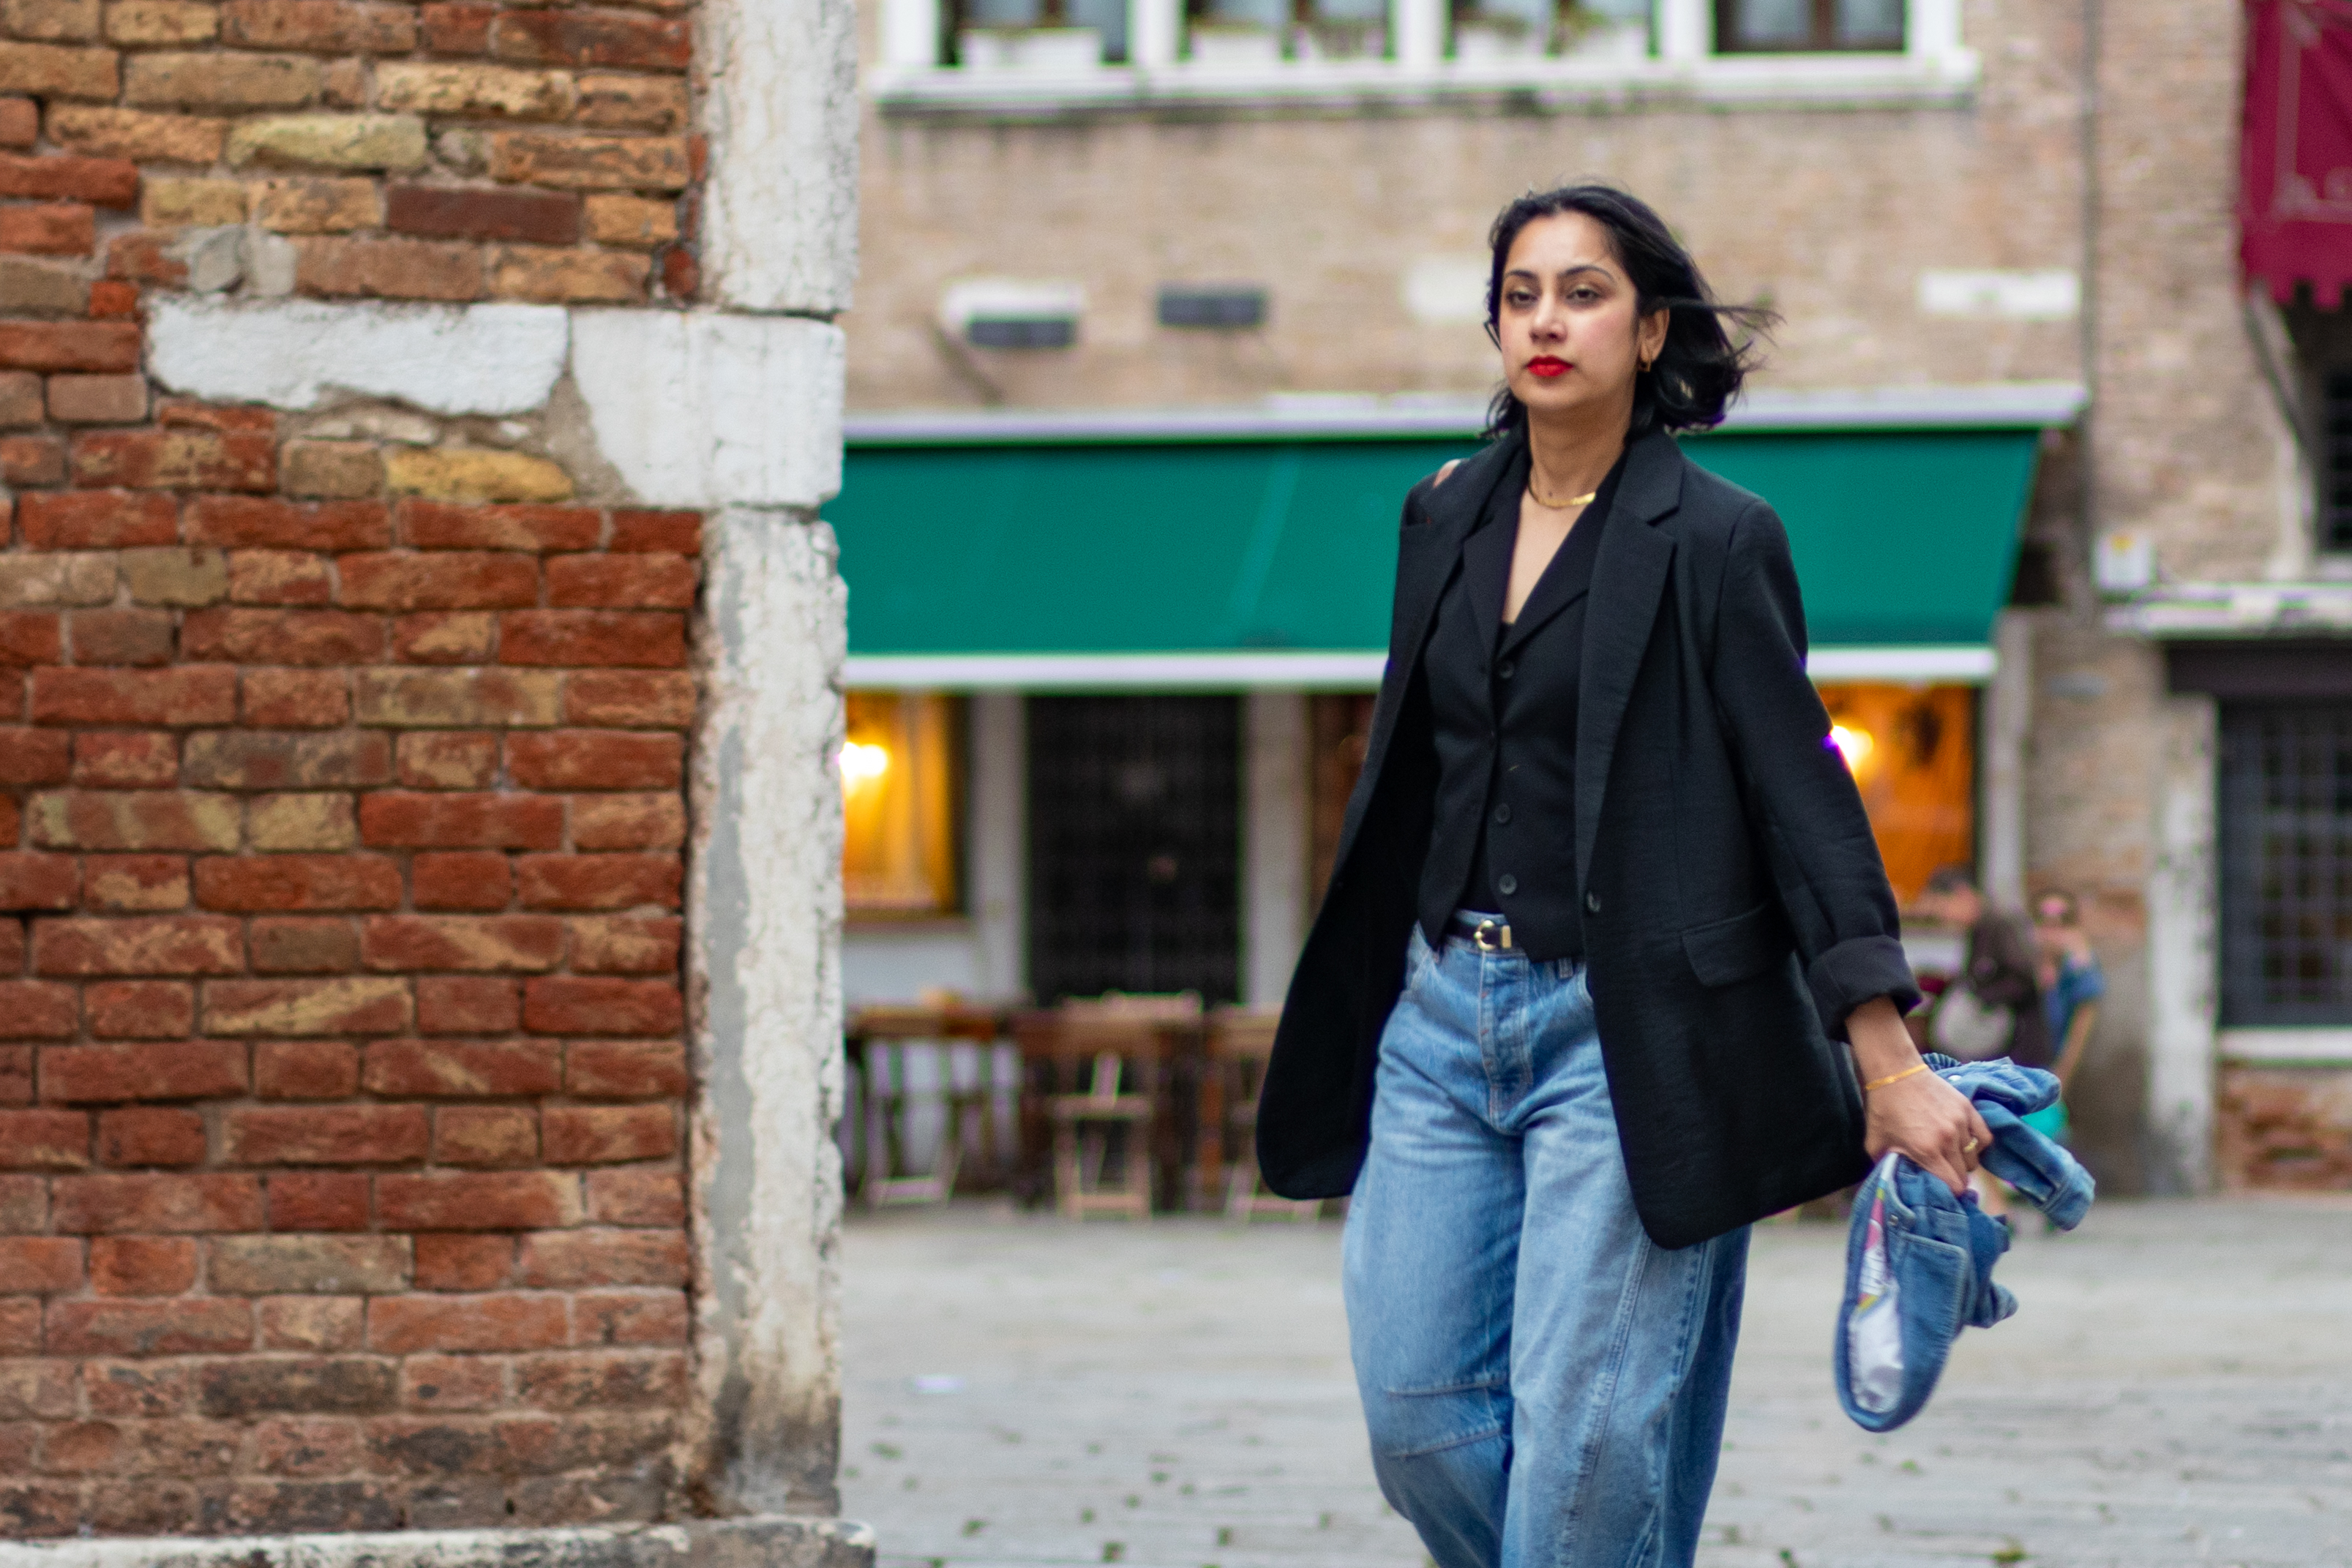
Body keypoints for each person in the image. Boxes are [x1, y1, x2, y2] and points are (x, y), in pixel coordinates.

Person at [1253, 184, 1990, 1568]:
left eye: (1582, 292)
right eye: (1520, 293)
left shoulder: (1716, 538)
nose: (1546, 320)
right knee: (1415, 1422)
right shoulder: (1439, 518)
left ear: (1649, 329)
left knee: (1588, 1446)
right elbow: (1414, 766)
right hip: (1432, 1023)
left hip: (1625, 1029)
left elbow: (1799, 790)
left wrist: (1884, 1056)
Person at [2029, 888, 2105, 1143]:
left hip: (2052, 1076)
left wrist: (2060, 1078)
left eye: (2062, 922)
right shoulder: (2026, 962)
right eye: (2045, 922)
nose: (2052, 931)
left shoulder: (2078, 970)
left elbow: (2079, 1033)